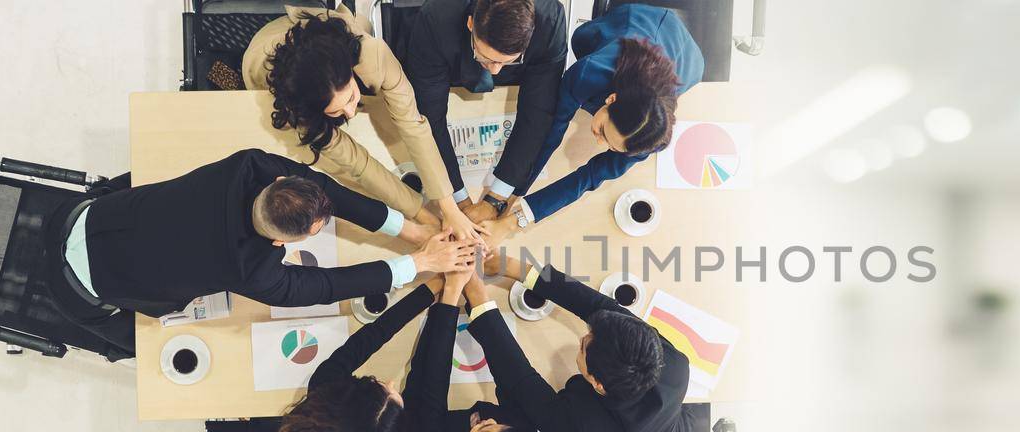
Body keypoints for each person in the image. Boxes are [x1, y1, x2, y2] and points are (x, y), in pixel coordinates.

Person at [43, 149, 477, 354]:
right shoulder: (252, 272)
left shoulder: (249, 168)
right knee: (143, 339)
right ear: (279, 243)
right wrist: (420, 265)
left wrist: (410, 230)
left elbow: (325, 190)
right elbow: (325, 285)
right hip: (85, 288)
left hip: (86, 215)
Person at [266, 267, 538, 432]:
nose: (394, 381)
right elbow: (432, 387)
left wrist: (444, 293)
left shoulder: (328, 392)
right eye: (392, 393)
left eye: (380, 386)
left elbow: (426, 382)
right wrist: (447, 293)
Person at [460, 252, 690, 432]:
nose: (582, 338)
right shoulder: (672, 362)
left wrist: (478, 298)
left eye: (582, 348)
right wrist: (515, 267)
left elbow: (521, 380)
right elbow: (599, 306)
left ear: (598, 384)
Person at [243, 4, 484, 241]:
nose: (349, 113)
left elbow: (413, 124)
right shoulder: (299, 103)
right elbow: (358, 164)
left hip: (323, 38)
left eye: (350, 97)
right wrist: (422, 214)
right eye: (337, 110)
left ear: (349, 71)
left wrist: (448, 207)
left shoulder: (374, 55)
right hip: (263, 58)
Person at [462, 4, 704, 230]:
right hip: (635, 21)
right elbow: (551, 130)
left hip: (686, 61)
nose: (600, 143)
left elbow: (590, 176)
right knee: (577, 47)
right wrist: (507, 197)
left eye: (612, 146)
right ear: (611, 99)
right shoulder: (590, 72)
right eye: (603, 132)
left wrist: (516, 218)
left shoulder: (649, 136)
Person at [400, 0, 568, 221]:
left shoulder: (550, 19)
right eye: (487, 58)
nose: (496, 70)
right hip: (447, 67)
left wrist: (495, 199)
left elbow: (537, 113)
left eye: (505, 61)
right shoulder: (436, 17)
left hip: (514, 82)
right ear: (471, 23)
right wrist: (458, 200)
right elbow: (430, 116)